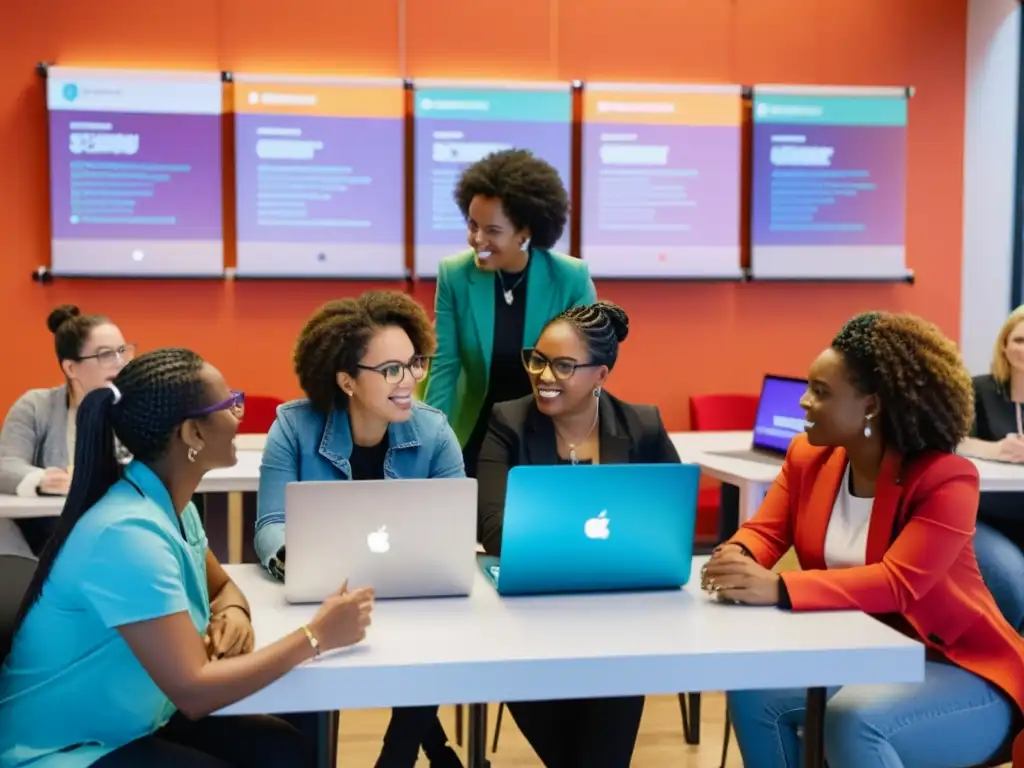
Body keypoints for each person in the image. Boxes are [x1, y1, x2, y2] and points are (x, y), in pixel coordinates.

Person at [0, 348, 374, 767]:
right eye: (229, 404)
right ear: (192, 434)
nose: (239, 416)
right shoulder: (126, 534)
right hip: (63, 747)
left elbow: (222, 587)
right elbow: (194, 691)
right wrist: (317, 636)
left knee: (283, 749)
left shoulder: (171, 507)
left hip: (134, 717)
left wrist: (232, 612)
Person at [704, 311, 1024, 768]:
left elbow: (899, 583)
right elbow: (766, 530)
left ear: (871, 405)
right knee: (755, 691)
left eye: (821, 392)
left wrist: (778, 587)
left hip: (959, 667)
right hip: (862, 656)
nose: (802, 403)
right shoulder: (808, 455)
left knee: (853, 719)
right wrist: (736, 557)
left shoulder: (945, 478)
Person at [255, 291, 463, 768]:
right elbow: (270, 526)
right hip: (322, 600)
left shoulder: (434, 431)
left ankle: (398, 755)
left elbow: (455, 526)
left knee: (429, 642)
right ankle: (432, 749)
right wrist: (302, 566)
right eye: (391, 370)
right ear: (346, 380)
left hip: (413, 597)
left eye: (414, 364)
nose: (410, 380)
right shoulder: (293, 426)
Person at [477, 301, 677, 767]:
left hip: (620, 622)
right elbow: (493, 531)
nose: (544, 375)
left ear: (600, 374)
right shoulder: (509, 422)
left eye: (564, 365)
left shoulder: (642, 425)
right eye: (538, 359)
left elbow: (669, 526)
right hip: (527, 621)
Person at [422, 148, 597, 478]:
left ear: (525, 233)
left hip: (549, 432)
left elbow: (582, 372)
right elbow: (444, 366)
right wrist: (428, 442)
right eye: (472, 225)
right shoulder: (455, 275)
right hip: (475, 431)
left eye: (492, 230)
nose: (477, 239)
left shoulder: (570, 279)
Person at [0, 304, 134, 553]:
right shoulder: (36, 406)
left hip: (117, 535)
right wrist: (44, 480)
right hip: (48, 542)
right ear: (71, 368)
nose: (119, 363)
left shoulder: (137, 408)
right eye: (105, 354)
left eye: (122, 351)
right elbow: (5, 465)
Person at [959, 305, 1024, 632]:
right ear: (1004, 345)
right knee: (1013, 584)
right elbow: (955, 441)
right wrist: (998, 450)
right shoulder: (980, 388)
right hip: (987, 515)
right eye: (1019, 340)